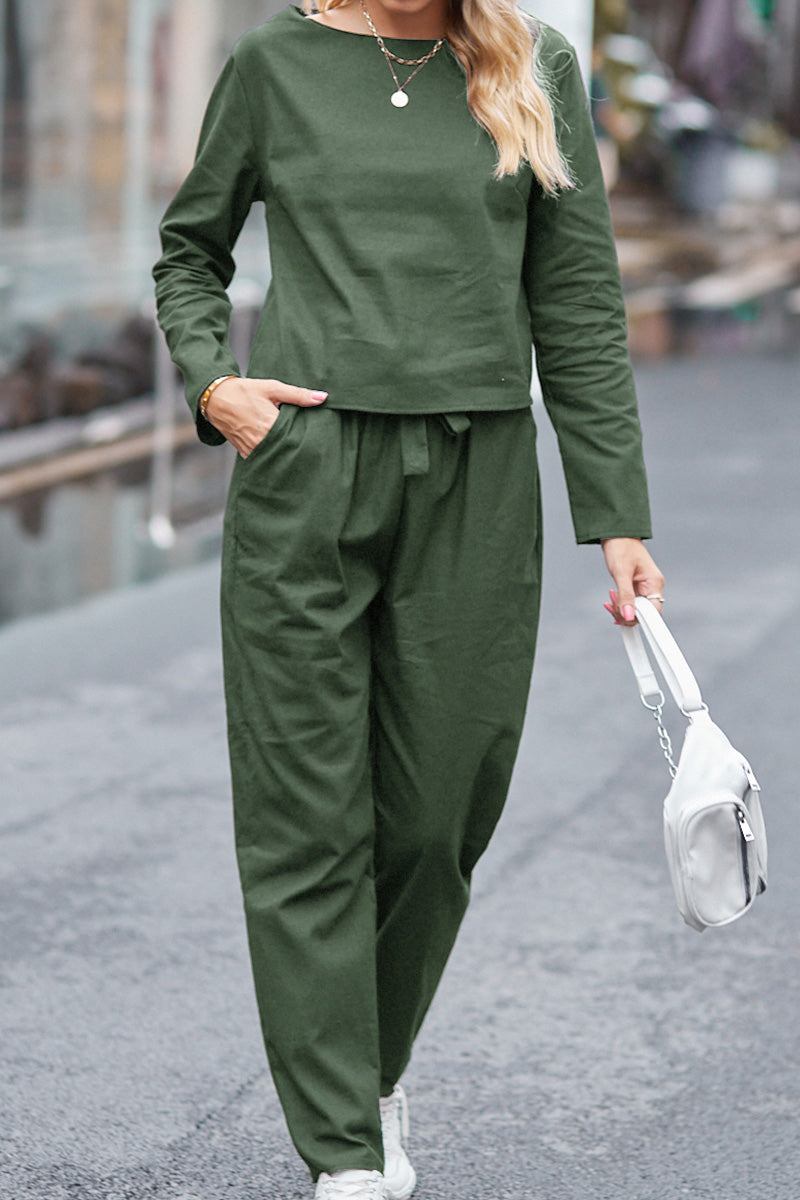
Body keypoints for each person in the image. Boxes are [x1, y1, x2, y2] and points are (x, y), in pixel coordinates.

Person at [151, 1, 665, 1197]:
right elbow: (190, 249)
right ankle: (343, 1140)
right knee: (305, 817)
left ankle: (364, 1061)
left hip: (476, 472)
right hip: (305, 471)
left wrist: (617, 513)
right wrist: (215, 386)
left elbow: (577, 303)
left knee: (440, 813)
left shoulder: (532, 62)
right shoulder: (276, 61)